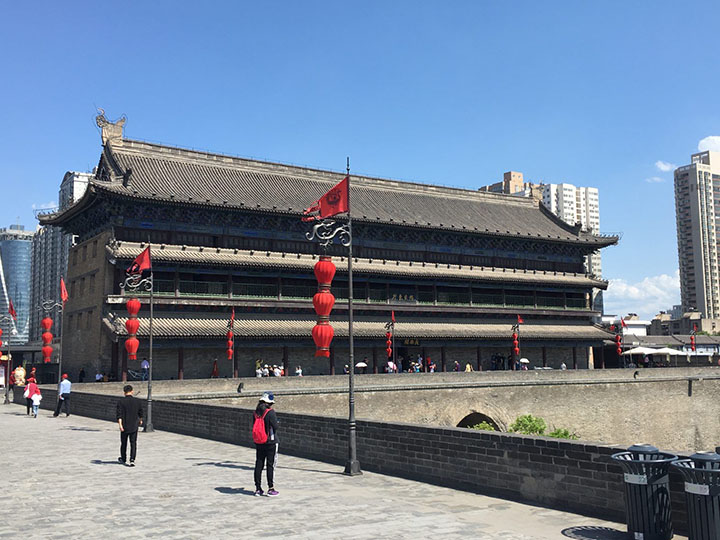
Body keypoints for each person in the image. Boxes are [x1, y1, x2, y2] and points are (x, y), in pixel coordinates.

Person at [253, 392, 279, 497]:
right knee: (270, 465)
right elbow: (275, 427)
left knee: (259, 464)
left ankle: (258, 488)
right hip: (270, 442)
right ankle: (271, 488)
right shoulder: (270, 412)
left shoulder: (256, 413)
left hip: (259, 441)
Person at [117, 385, 144, 466]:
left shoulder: (121, 402)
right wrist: (140, 420)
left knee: (124, 443)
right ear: (132, 391)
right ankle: (132, 459)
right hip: (134, 425)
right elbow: (141, 413)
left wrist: (120, 425)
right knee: (133, 443)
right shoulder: (137, 401)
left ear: (124, 392)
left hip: (125, 425)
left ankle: (123, 458)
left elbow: (119, 415)